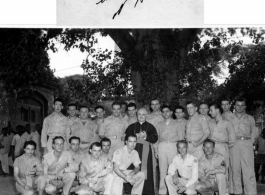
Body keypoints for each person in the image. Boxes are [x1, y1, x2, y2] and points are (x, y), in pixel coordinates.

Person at [125, 107, 158, 195]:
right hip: (133, 151)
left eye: (143, 114)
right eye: (139, 114)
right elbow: (125, 138)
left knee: (146, 171)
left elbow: (155, 139)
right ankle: (131, 192)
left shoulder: (150, 126)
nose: (141, 116)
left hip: (146, 154)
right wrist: (136, 135)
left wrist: (145, 136)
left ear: (146, 115)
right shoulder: (131, 126)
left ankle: (147, 192)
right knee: (132, 170)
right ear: (137, 115)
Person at [154, 105, 184, 195]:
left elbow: (181, 137)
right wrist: (156, 150)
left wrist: (181, 151)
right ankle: (162, 191)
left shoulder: (177, 123)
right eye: (163, 112)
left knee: (173, 169)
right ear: (161, 113)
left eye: (167, 111)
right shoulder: (159, 124)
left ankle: (174, 191)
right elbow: (156, 138)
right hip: (162, 146)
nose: (165, 113)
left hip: (173, 145)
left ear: (171, 112)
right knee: (162, 169)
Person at [229, 98, 257, 195]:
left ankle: (251, 192)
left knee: (249, 169)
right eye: (237, 105)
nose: (239, 107)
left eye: (242, 105)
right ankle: (237, 192)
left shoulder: (250, 118)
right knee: (235, 169)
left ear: (245, 107)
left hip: (246, 143)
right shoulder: (229, 118)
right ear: (234, 106)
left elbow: (253, 133)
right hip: (234, 144)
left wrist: (250, 143)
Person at [208, 103, 236, 180]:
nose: (209, 112)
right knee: (212, 168)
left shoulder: (227, 122)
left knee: (223, 169)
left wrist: (225, 148)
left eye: (211, 110)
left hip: (222, 148)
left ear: (217, 110)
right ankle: (215, 190)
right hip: (212, 148)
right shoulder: (210, 122)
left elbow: (232, 138)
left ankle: (225, 190)